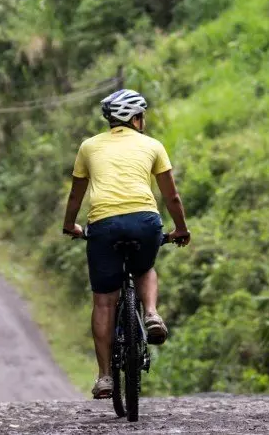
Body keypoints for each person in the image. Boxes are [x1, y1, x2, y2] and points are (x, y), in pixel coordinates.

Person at [62, 89, 191, 399]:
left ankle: (105, 377)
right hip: (145, 221)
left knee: (104, 301)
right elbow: (172, 196)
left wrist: (69, 225)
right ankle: (151, 313)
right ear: (135, 118)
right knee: (145, 267)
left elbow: (76, 195)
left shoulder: (88, 146)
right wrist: (181, 229)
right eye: (141, 116)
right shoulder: (153, 145)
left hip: (103, 225)